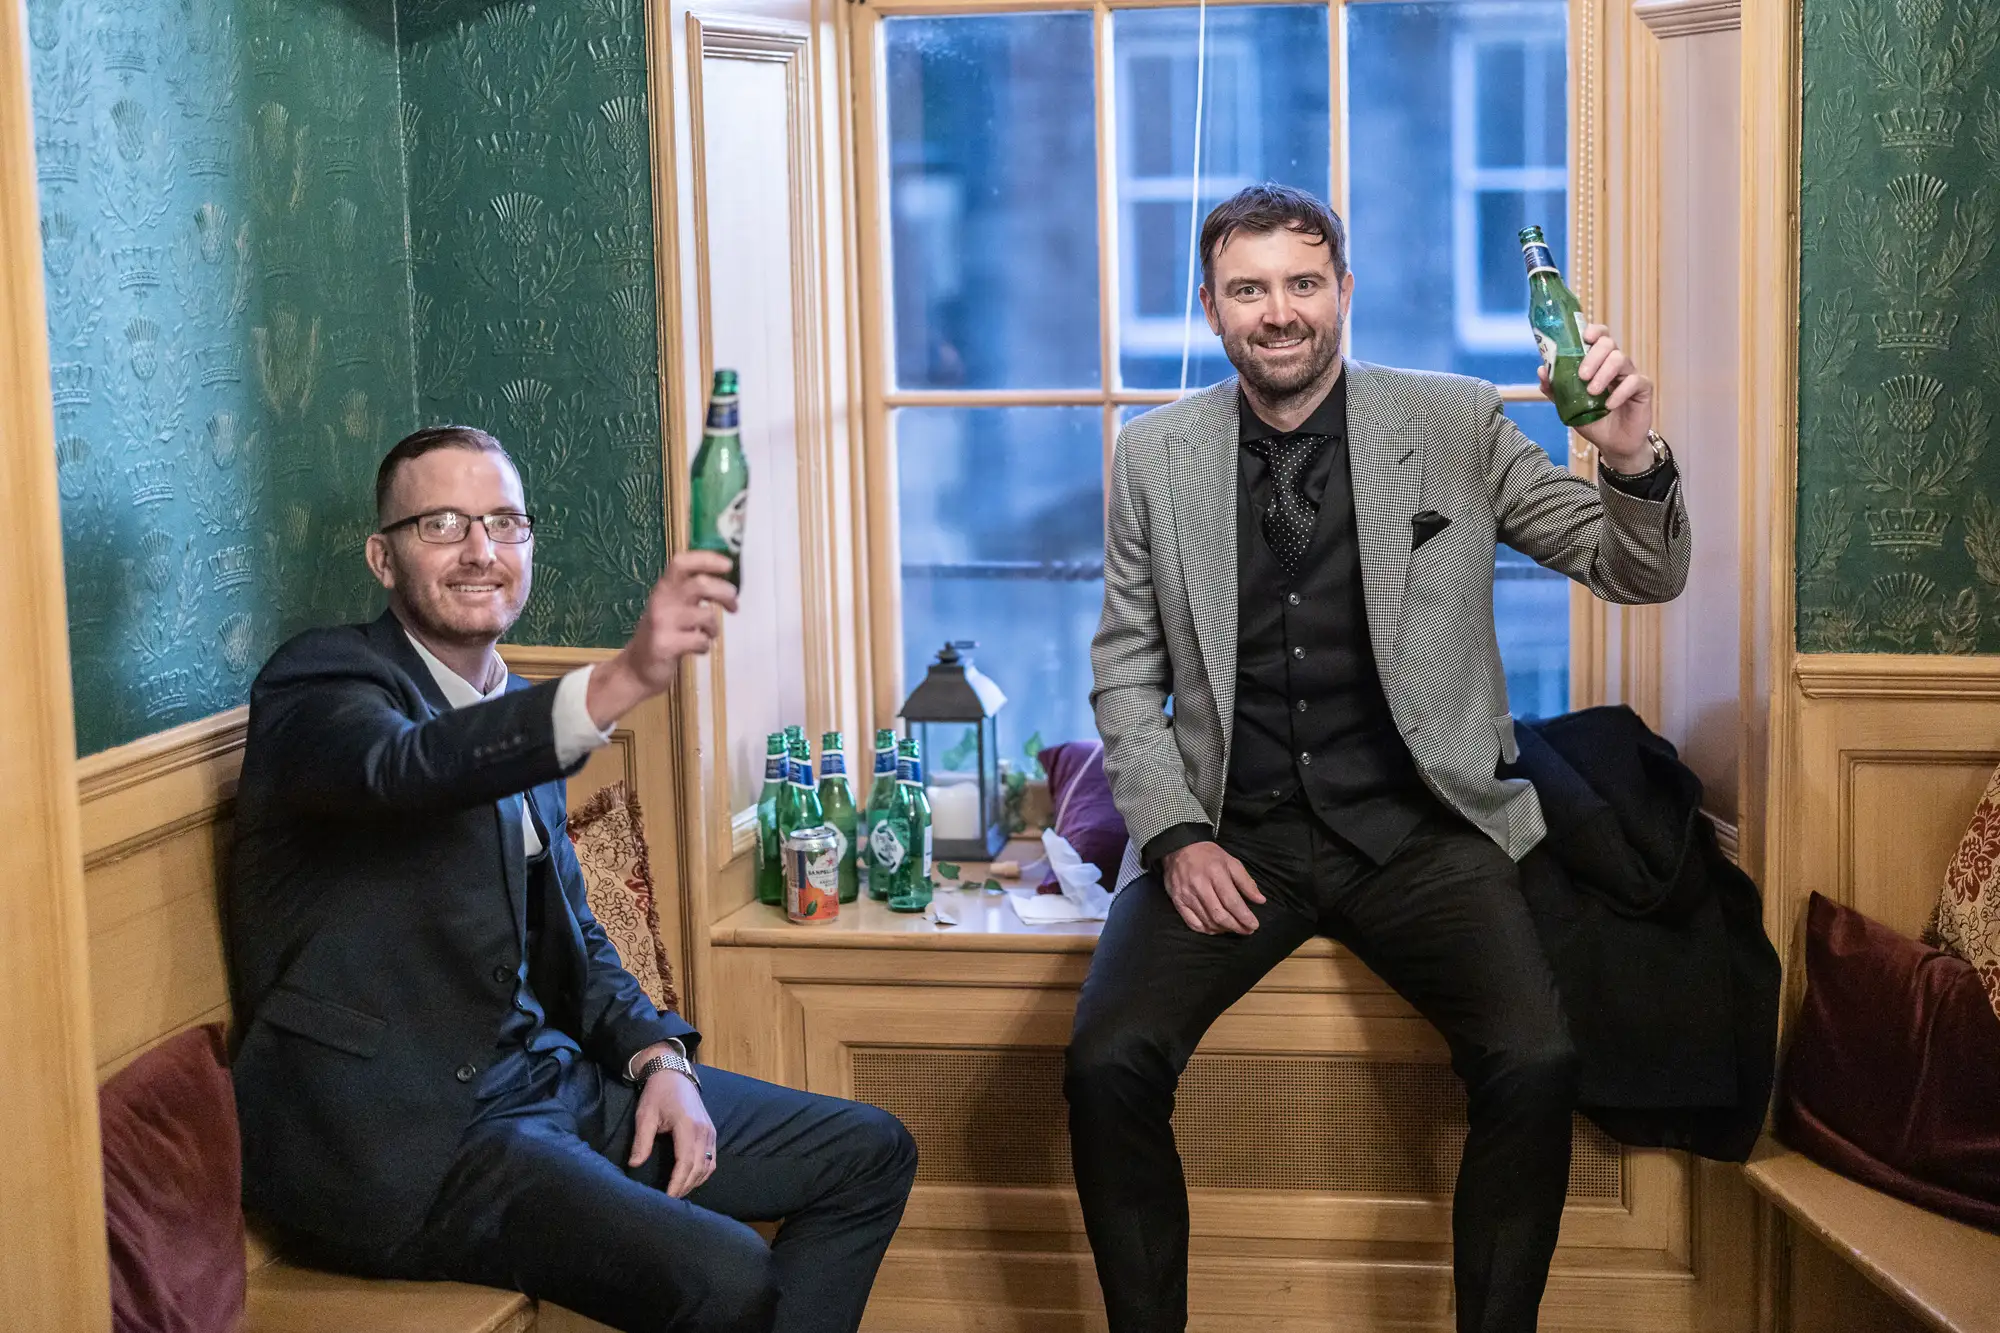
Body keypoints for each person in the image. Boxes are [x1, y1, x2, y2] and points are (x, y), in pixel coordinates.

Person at [1068, 183, 1689, 1333]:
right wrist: (1171, 832)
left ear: (1343, 293)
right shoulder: (1152, 456)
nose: (1279, 311)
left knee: (1535, 1059)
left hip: (1421, 832)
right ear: (1209, 309)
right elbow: (1120, 671)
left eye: (1302, 284)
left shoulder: (1451, 422)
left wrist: (1630, 454)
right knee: (1106, 1061)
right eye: (1247, 289)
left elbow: (1635, 573)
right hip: (1229, 832)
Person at [225, 425, 917, 1333]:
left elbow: (576, 940)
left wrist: (659, 1057)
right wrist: (626, 676)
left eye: (504, 522)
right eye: (441, 523)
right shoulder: (320, 684)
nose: (481, 549)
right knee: (727, 1274)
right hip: (411, 1141)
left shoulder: (519, 707)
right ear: (382, 559)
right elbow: (409, 769)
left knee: (867, 1152)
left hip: (549, 1086)